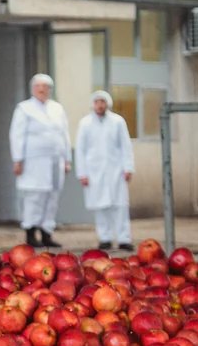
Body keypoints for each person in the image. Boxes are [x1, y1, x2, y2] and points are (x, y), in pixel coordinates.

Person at [10, 73, 72, 248]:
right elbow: (17, 135)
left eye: (45, 87)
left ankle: (46, 233)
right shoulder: (24, 108)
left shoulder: (57, 109)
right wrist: (18, 159)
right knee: (34, 197)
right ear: (33, 89)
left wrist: (67, 158)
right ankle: (30, 233)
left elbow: (64, 134)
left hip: (55, 161)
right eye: (38, 86)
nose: (42, 90)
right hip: (33, 162)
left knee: (52, 197)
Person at [75, 90, 135, 251]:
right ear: (93, 104)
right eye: (97, 102)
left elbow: (125, 146)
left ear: (107, 103)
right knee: (100, 207)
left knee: (120, 206)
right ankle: (105, 238)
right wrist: (82, 173)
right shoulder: (85, 123)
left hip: (116, 170)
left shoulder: (117, 121)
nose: (100, 105)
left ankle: (124, 239)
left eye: (102, 102)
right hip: (94, 172)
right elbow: (80, 149)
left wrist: (128, 167)